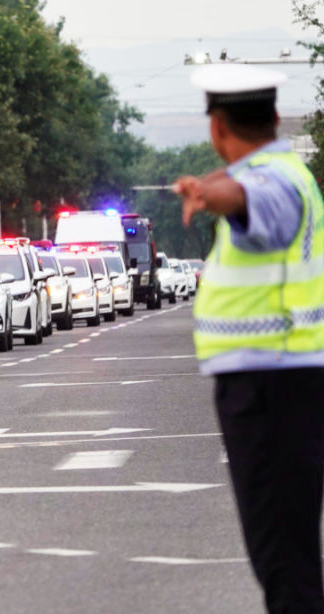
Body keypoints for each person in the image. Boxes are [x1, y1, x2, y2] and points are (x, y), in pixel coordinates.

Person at [176, 63, 324, 614]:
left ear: (217, 128)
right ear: (276, 118)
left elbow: (250, 198)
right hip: (282, 376)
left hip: (270, 385)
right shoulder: (287, 170)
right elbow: (243, 186)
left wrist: (209, 195)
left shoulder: (272, 182)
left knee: (284, 563)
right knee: (287, 556)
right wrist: (215, 187)